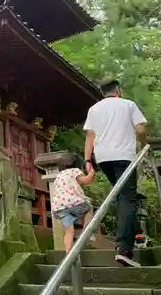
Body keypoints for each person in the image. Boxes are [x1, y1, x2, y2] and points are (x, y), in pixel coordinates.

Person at [83, 78, 148, 267]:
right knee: (128, 198)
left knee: (123, 197)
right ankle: (123, 248)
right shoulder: (128, 104)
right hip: (124, 157)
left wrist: (88, 160)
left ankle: (137, 236)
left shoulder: (94, 109)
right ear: (118, 90)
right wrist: (145, 144)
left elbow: (90, 137)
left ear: (103, 92)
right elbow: (140, 128)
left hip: (103, 159)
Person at [51, 153, 96, 252]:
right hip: (73, 203)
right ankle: (88, 231)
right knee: (89, 208)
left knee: (69, 231)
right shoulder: (75, 171)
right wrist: (91, 172)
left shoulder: (59, 175)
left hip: (59, 208)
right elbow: (86, 180)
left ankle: (68, 253)